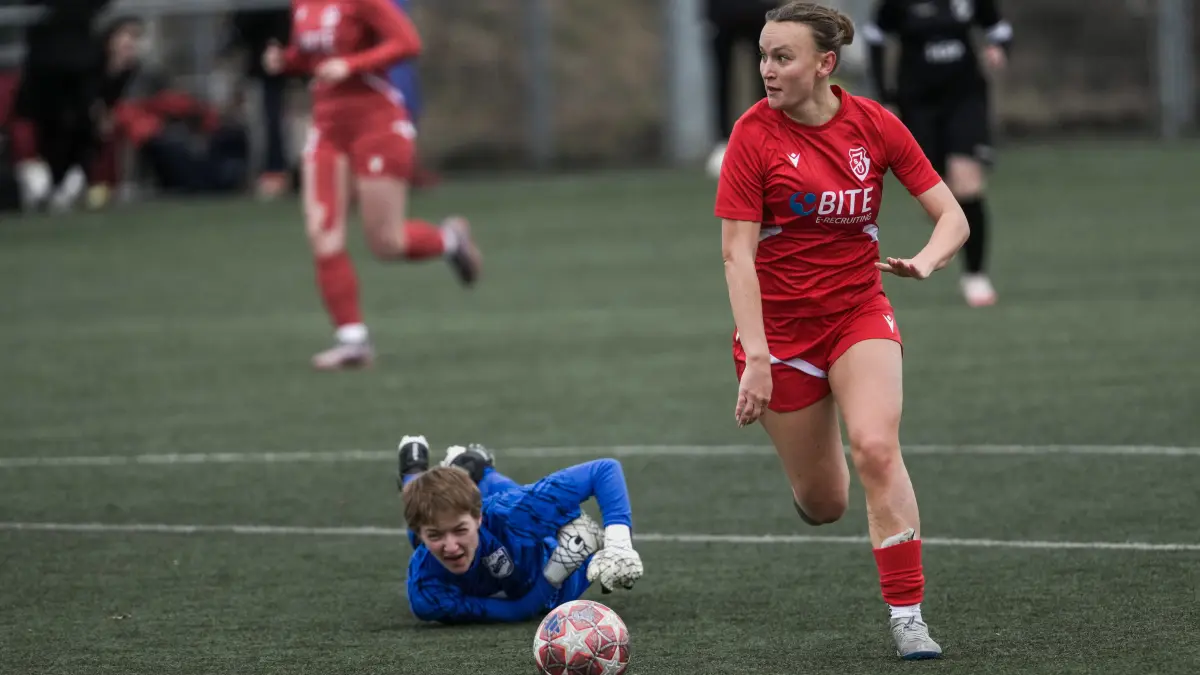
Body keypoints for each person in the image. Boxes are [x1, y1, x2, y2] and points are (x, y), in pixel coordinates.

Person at [715, 1, 969, 660]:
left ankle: (909, 614)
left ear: (825, 64)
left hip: (859, 313)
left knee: (878, 448)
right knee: (826, 501)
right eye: (765, 56)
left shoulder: (874, 125)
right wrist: (760, 358)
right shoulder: (752, 136)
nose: (767, 69)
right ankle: (818, 487)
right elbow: (736, 254)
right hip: (779, 334)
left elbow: (952, 214)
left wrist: (928, 258)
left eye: (782, 57)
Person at [263, 0, 482, 370]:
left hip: (376, 124)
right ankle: (353, 341)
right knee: (323, 232)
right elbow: (312, 58)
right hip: (329, 128)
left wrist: (352, 64)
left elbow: (408, 43)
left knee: (386, 242)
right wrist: (285, 61)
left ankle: (450, 240)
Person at [397, 436, 645, 624]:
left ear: (478, 517)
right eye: (434, 536)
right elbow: (519, 610)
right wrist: (557, 571)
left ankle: (474, 468)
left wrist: (618, 543)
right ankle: (427, 474)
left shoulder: (510, 514)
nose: (451, 546)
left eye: (460, 530)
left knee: (512, 510)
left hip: (543, 544)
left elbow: (604, 470)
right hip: (547, 572)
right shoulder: (425, 594)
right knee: (426, 515)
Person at [864, 0, 1012, 307]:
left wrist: (999, 48)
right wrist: (885, 94)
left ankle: (975, 274)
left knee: (967, 181)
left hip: (965, 98)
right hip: (917, 103)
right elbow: (875, 36)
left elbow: (998, 27)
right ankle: (948, 235)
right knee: (935, 194)